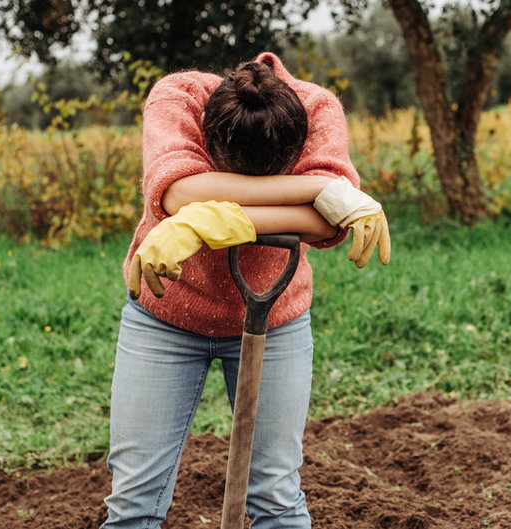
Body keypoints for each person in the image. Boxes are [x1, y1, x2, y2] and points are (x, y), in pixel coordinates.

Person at [101, 52, 390, 529]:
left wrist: (216, 213)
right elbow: (176, 192)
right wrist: (316, 191)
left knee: (277, 497)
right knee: (133, 500)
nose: (251, 188)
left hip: (275, 319)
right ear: (209, 134)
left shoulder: (317, 110)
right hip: (166, 316)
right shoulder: (177, 99)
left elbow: (328, 226)